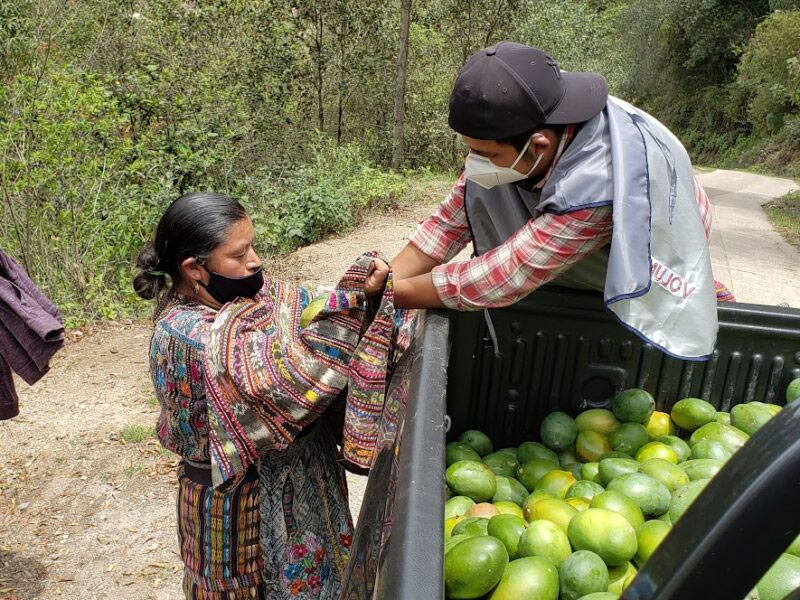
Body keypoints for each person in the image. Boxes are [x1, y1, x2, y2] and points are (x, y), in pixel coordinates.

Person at [388, 42, 733, 360]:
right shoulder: (523, 125)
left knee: (621, 291)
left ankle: (704, 295)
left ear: (538, 145)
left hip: (651, 237)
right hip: (562, 214)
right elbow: (445, 226)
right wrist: (386, 279)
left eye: (484, 154)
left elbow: (506, 275)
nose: (471, 163)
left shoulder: (597, 185)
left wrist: (394, 296)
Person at [133, 192, 390, 599]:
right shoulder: (189, 337)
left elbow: (305, 305)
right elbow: (295, 374)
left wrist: (360, 290)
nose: (255, 261)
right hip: (237, 510)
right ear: (194, 269)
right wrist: (352, 313)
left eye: (253, 246)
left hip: (298, 491)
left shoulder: (246, 300)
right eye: (240, 253)